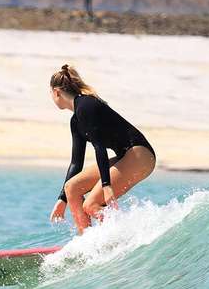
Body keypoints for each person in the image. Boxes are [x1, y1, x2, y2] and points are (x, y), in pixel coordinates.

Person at [48, 64, 157, 234]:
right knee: (71, 189)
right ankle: (86, 241)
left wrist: (107, 186)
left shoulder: (86, 105)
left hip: (140, 154)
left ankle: (126, 236)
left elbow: (99, 147)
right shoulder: (76, 120)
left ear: (56, 92)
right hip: (128, 156)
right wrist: (61, 200)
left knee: (91, 205)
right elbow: (76, 163)